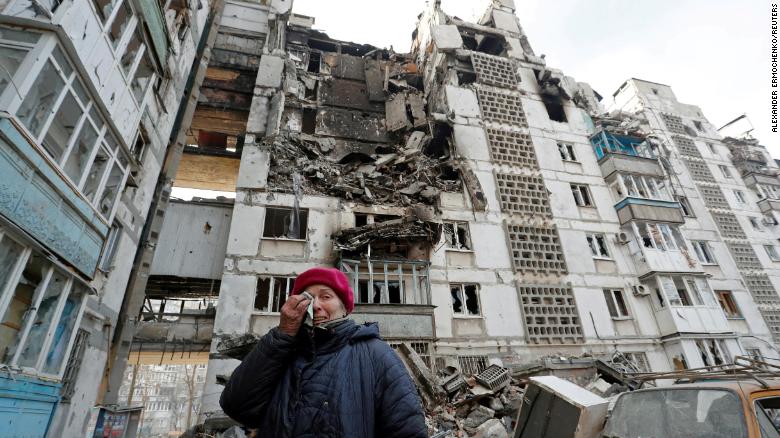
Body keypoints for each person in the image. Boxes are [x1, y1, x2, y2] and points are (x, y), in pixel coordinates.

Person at [220, 267, 427, 437]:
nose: (316, 305)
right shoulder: (283, 352)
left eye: (326, 296)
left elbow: (408, 431)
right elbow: (236, 406)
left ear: (345, 307)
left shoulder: (376, 354)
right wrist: (282, 335)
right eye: (308, 298)